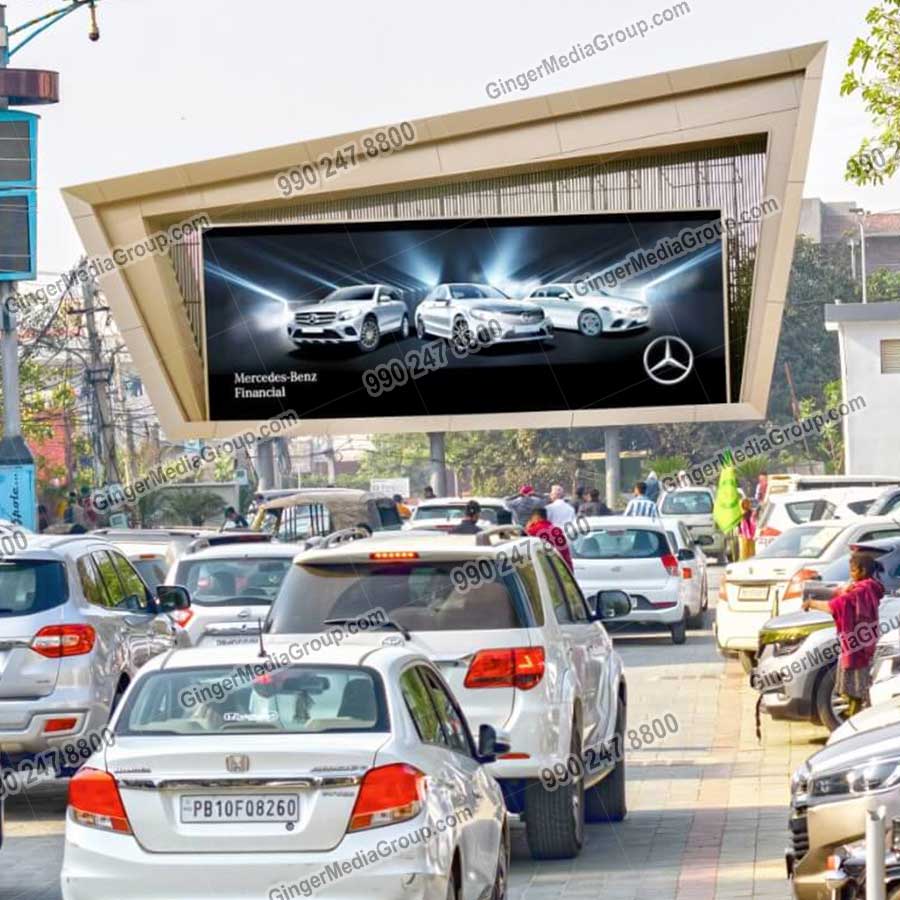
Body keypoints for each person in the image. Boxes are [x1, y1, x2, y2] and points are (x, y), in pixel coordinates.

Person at [803, 552, 884, 717]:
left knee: (856, 690)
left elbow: (836, 606)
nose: (851, 574)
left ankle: (855, 719)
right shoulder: (869, 587)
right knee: (857, 687)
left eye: (853, 570)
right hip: (864, 642)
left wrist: (811, 603)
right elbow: (840, 593)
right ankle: (856, 712)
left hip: (857, 646)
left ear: (862, 570)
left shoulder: (860, 591)